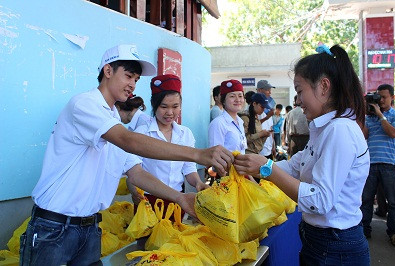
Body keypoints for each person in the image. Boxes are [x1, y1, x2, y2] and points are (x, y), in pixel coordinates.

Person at [20, 44, 233, 265]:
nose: (132, 84)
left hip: (90, 229)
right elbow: (128, 142)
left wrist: (180, 198)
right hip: (55, 228)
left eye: (136, 79)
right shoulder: (85, 105)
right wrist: (198, 155)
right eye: (128, 76)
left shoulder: (113, 121)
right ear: (108, 71)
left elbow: (137, 173)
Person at [234, 44, 370, 264]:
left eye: (299, 91)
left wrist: (266, 170)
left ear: (323, 86)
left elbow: (320, 201)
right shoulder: (324, 127)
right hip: (321, 239)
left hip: (335, 247)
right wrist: (252, 165)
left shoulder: (340, 130)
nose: (297, 101)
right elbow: (297, 165)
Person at [133, 74, 209, 209]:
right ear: (154, 105)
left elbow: (188, 167)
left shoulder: (185, 134)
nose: (170, 112)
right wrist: (134, 192)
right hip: (148, 200)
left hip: (178, 200)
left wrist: (198, 183)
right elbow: (134, 171)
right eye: (164, 107)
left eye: (175, 106)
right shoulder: (142, 133)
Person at [360, 83, 395, 247]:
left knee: (393, 201)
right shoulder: (370, 117)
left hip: (389, 165)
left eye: (384, 97)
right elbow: (364, 136)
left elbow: (392, 133)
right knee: (367, 200)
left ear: (391, 97)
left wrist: (380, 114)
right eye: (379, 97)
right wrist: (362, 114)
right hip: (370, 164)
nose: (381, 100)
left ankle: (393, 232)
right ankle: (364, 230)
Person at [208, 79, 247, 155]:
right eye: (232, 96)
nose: (237, 100)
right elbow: (215, 156)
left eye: (240, 96)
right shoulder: (218, 124)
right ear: (223, 100)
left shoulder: (240, 122)